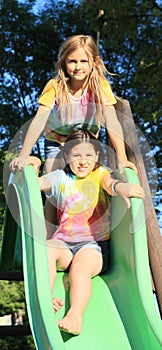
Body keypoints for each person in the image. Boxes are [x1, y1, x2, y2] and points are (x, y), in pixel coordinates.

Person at [10, 34, 137, 234]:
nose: (78, 67)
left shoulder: (99, 86)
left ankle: (88, 234)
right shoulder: (56, 86)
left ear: (94, 62)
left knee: (90, 186)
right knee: (54, 191)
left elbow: (112, 121)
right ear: (64, 63)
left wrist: (121, 158)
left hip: (86, 145)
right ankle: (48, 240)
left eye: (83, 61)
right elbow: (39, 120)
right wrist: (24, 154)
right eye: (72, 61)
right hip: (57, 143)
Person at [28, 130, 144, 335]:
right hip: (64, 244)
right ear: (66, 157)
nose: (83, 161)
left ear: (97, 156)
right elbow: (32, 185)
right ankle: (45, 298)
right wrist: (33, 165)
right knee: (45, 248)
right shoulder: (60, 177)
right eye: (76, 155)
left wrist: (122, 188)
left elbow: (111, 186)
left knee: (79, 269)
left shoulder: (101, 174)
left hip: (94, 247)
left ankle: (75, 315)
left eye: (88, 155)